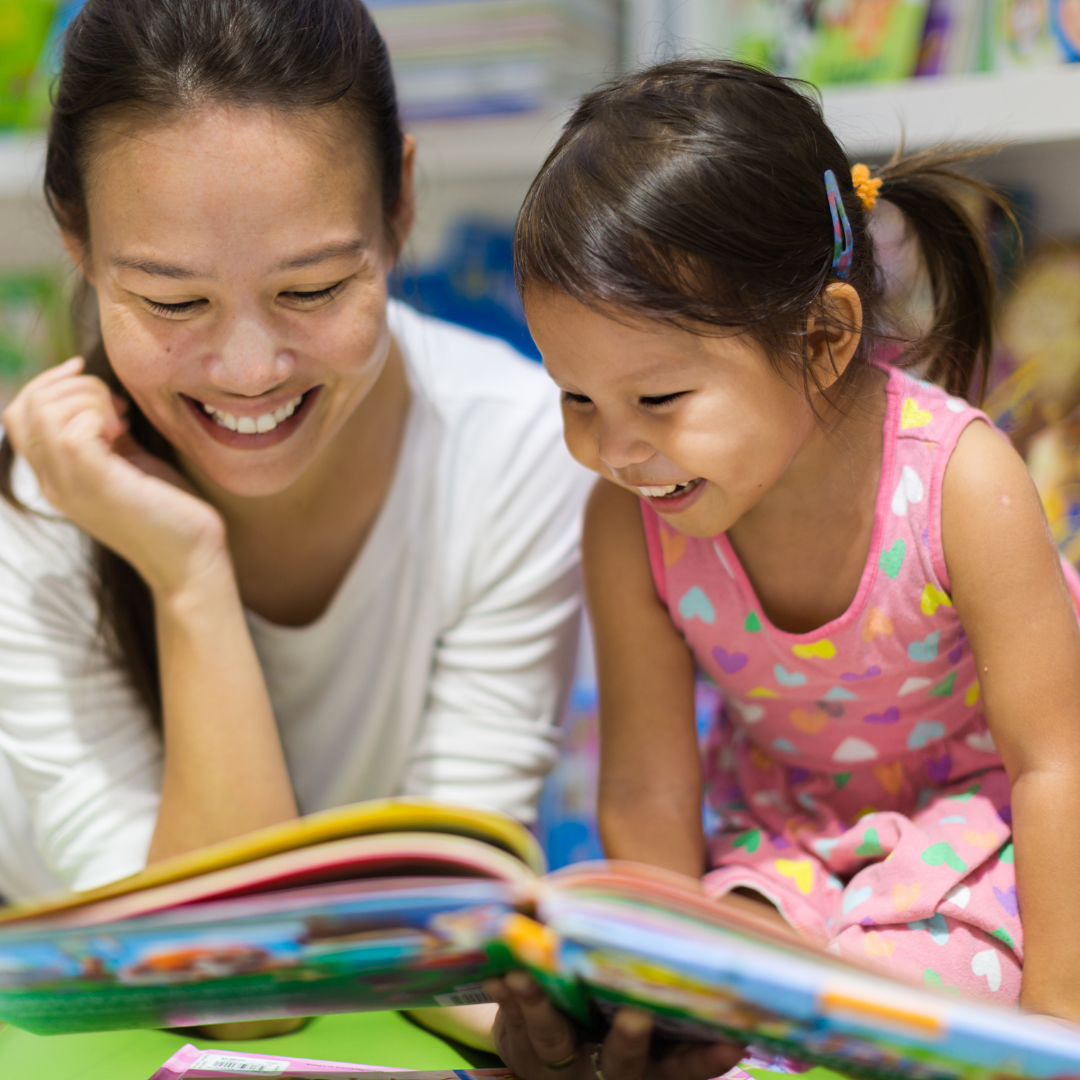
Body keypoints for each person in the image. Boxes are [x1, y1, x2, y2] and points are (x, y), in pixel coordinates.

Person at [492, 58, 1080, 1072]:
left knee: (911, 1007)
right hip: (787, 848)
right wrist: (650, 991)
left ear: (822, 338)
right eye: (577, 398)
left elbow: (1056, 765)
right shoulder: (627, 522)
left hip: (986, 839)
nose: (616, 448)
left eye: (661, 400)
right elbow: (648, 795)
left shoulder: (960, 482)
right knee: (715, 1012)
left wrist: (1060, 1018)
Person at [0, 0, 591, 912]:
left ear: (399, 204)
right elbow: (207, 975)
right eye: (172, 303)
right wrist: (187, 575)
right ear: (75, 239)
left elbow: (440, 916)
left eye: (311, 289)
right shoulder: (36, 497)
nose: (248, 372)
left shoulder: (514, 453)